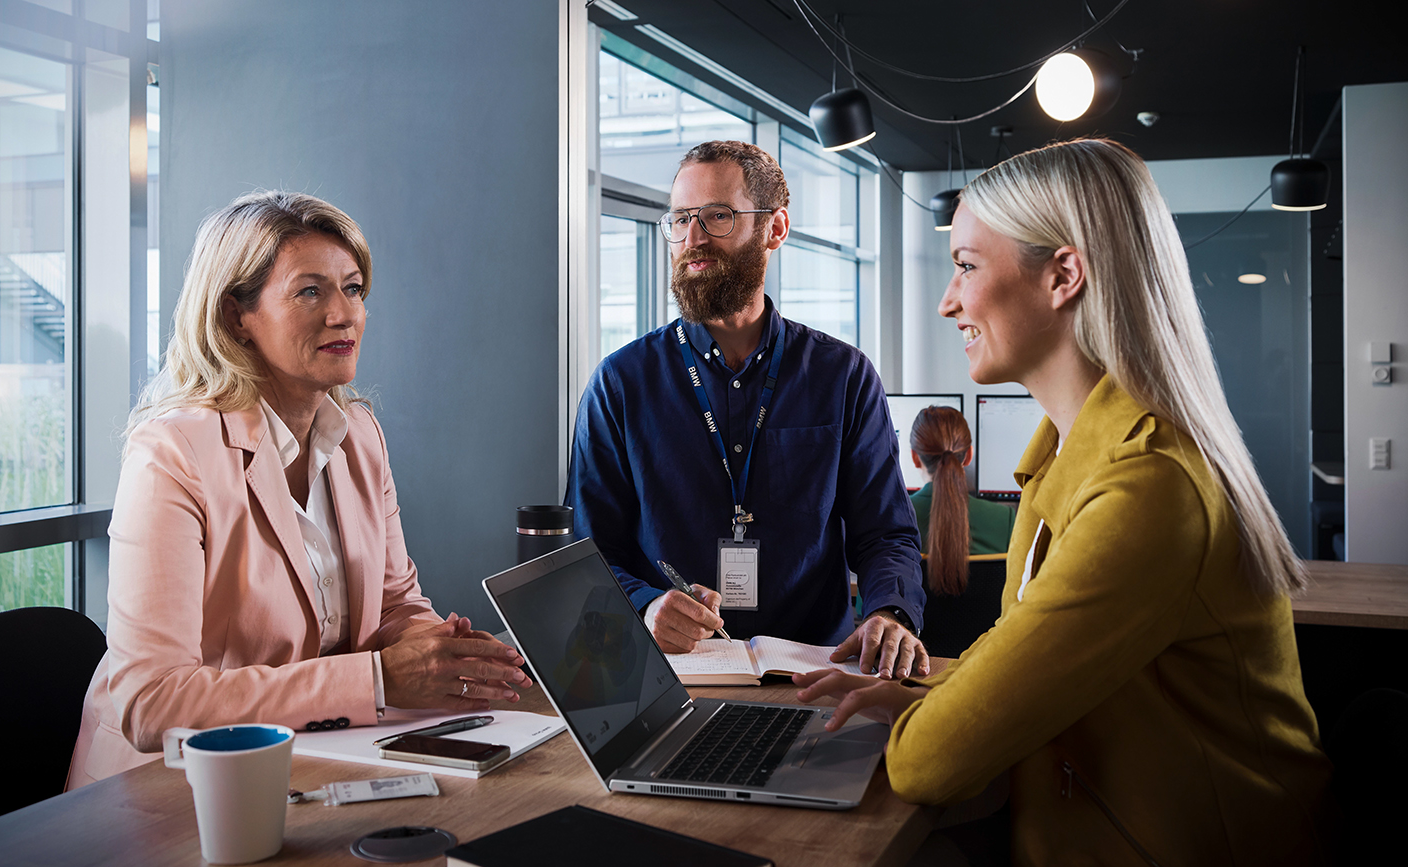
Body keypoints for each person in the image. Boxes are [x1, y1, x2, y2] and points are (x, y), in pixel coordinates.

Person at [798, 140, 1333, 867]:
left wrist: (929, 714)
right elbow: (1019, 654)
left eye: (967, 265)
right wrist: (930, 693)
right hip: (1084, 850)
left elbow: (927, 766)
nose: (947, 301)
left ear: (1064, 276)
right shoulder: (1063, 462)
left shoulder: (1147, 489)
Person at [67, 192, 531, 788]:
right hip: (167, 792)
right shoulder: (172, 453)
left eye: (354, 288)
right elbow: (153, 702)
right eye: (310, 291)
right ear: (237, 316)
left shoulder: (359, 434)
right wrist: (382, 679)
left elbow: (394, 603)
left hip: (315, 763)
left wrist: (445, 656)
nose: (344, 314)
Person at [566, 140, 928, 680]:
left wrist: (890, 613)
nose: (692, 239)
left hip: (817, 678)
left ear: (775, 229)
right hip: (671, 681)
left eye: (717, 216)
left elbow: (886, 534)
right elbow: (587, 549)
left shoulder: (844, 377)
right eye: (682, 218)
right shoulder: (620, 384)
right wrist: (644, 606)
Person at [906, 405, 1015, 595]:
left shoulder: (894, 518)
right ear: (968, 456)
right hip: (991, 626)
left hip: (912, 626)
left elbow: (869, 606)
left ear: (915, 458)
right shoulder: (1005, 519)